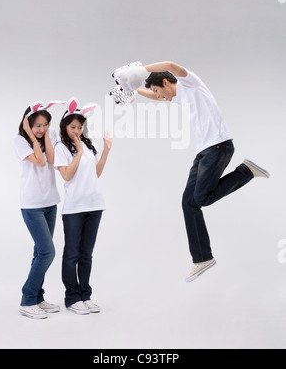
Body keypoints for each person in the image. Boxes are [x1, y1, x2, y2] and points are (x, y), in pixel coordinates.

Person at [111, 61, 270, 282]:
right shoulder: (176, 97)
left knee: (201, 199)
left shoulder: (190, 84)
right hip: (205, 152)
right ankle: (202, 258)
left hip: (218, 146)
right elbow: (157, 97)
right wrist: (132, 88)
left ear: (166, 82)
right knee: (189, 202)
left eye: (158, 89)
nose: (159, 96)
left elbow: (169, 64)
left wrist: (140, 71)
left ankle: (246, 172)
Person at [54, 98, 112, 315]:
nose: (77, 130)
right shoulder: (61, 148)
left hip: (95, 204)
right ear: (65, 127)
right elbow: (67, 175)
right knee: (72, 254)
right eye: (72, 127)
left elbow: (95, 174)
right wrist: (77, 152)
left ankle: (85, 295)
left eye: (80, 127)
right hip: (74, 209)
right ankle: (72, 298)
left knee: (87, 254)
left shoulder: (90, 145)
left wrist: (106, 150)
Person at [14, 101, 62, 319]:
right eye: (37, 126)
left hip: (50, 202)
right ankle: (27, 299)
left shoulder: (50, 135)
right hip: (32, 205)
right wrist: (31, 137)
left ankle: (38, 298)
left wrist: (45, 137)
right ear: (27, 125)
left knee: (39, 253)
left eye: (45, 125)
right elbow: (40, 162)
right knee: (47, 252)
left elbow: (51, 159)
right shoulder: (19, 141)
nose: (42, 129)